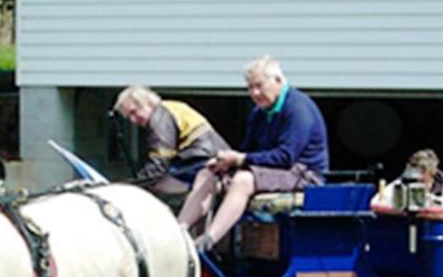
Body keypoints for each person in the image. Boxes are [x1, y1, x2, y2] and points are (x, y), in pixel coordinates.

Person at [178, 55, 329, 251]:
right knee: (207, 174)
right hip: (271, 170)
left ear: (278, 81)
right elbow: (248, 150)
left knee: (243, 180)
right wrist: (226, 163)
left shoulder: (298, 109)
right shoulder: (259, 112)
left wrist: (240, 159)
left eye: (259, 86)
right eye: (250, 88)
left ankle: (208, 241)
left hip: (304, 174)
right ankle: (178, 233)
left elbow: (285, 157)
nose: (254, 93)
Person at [113, 86, 228, 195]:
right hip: (210, 154)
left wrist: (133, 184)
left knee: (156, 182)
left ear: (146, 103)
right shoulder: (170, 107)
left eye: (134, 112)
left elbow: (160, 160)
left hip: (200, 159)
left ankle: (198, 193)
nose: (133, 120)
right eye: (129, 117)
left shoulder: (160, 118)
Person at [373, 148, 443, 210]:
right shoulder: (394, 189)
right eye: (414, 180)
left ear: (432, 175)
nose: (417, 185)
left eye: (423, 181)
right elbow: (376, 205)